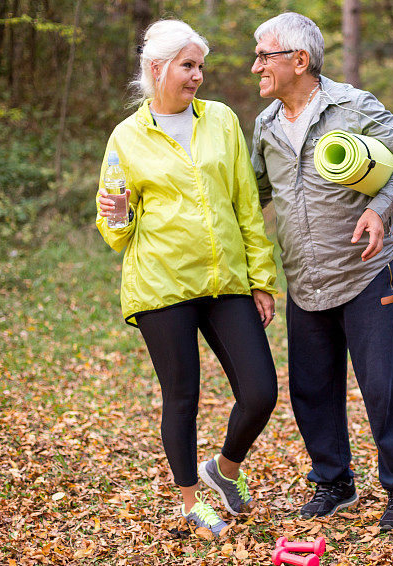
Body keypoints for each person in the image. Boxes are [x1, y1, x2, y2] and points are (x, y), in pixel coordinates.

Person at [249, 12, 393, 531]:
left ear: (299, 60)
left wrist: (380, 208)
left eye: (265, 56)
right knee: (311, 388)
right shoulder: (265, 127)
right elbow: (252, 199)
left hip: (366, 274)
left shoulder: (352, 105)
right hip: (304, 281)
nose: (255, 66)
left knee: (384, 383)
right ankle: (333, 483)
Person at [96, 19, 278, 536]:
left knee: (261, 390)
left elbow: (246, 202)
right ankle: (192, 504)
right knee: (183, 397)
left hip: (225, 283)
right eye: (188, 66)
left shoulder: (219, 119)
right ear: (157, 69)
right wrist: (116, 214)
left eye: (201, 66)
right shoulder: (127, 137)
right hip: (161, 288)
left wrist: (260, 278)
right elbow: (114, 228)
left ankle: (225, 471)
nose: (198, 76)